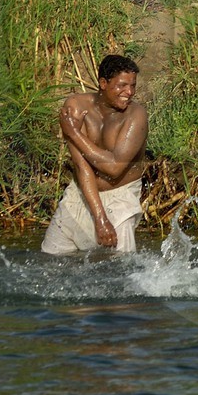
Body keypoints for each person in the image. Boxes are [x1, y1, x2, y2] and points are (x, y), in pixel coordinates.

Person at [41, 54, 150, 254]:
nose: (129, 92)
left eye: (133, 85)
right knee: (49, 264)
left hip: (120, 197)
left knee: (121, 271)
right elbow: (82, 166)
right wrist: (99, 216)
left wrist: (73, 133)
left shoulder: (136, 116)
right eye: (122, 86)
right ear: (103, 83)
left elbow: (114, 168)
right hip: (81, 193)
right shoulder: (75, 106)